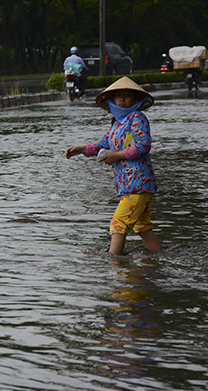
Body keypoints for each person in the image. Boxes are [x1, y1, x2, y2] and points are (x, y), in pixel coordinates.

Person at [65, 76, 162, 256]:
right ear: (112, 100)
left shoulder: (137, 118)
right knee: (142, 227)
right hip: (128, 185)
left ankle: (115, 265)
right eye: (118, 96)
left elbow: (143, 146)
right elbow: (103, 145)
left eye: (127, 95)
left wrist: (117, 155)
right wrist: (81, 149)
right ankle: (159, 257)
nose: (123, 99)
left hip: (139, 184)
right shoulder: (116, 125)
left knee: (118, 224)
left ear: (135, 99)